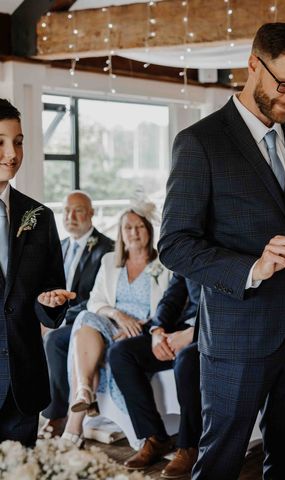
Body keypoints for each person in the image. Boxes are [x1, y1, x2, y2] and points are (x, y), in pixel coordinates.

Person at [158, 23, 285, 480]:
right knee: (220, 462)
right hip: (236, 335)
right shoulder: (200, 143)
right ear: (253, 65)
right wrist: (252, 267)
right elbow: (174, 245)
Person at [60, 203, 171, 447]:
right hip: (109, 324)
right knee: (84, 319)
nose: (133, 232)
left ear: (149, 230)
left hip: (142, 331)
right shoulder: (111, 261)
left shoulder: (163, 265)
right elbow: (96, 300)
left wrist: (140, 327)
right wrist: (118, 315)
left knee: (83, 328)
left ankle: (74, 424)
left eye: (139, 226)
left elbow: (170, 305)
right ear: (121, 232)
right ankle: (85, 392)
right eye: (127, 227)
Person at [0, 99, 75, 445]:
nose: (12, 153)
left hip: (23, 384)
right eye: (0, 142)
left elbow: (50, 298)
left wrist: (51, 302)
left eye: (18, 141)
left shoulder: (40, 217)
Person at [109, 273, 201, 477]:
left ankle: (190, 446)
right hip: (183, 326)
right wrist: (157, 330)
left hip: (219, 333)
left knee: (186, 359)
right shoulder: (190, 246)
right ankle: (156, 438)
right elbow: (172, 297)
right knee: (121, 352)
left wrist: (194, 334)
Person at [40, 191, 114, 439]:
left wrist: (57, 320)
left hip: (90, 321)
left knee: (53, 340)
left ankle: (57, 414)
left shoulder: (107, 249)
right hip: (59, 317)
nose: (71, 216)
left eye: (78, 210)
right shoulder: (58, 247)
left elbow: (99, 299)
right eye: (66, 211)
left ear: (91, 213)